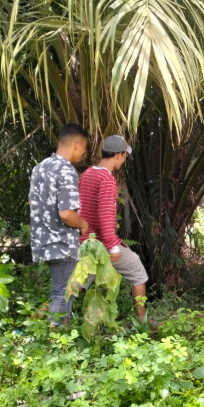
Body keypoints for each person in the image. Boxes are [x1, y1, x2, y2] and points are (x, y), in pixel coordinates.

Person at [79, 135, 149, 322]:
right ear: (118, 155)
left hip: (85, 242)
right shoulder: (107, 179)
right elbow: (105, 216)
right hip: (101, 244)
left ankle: (50, 318)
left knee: (76, 284)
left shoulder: (87, 174)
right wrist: (113, 246)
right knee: (137, 271)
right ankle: (142, 321)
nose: (125, 159)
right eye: (124, 155)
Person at [29, 123, 90, 326]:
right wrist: (82, 224)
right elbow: (66, 214)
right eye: (84, 149)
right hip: (62, 243)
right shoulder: (66, 170)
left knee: (60, 291)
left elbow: (32, 202)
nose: (83, 153)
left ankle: (52, 335)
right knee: (63, 294)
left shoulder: (40, 168)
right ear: (77, 145)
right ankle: (57, 340)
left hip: (42, 240)